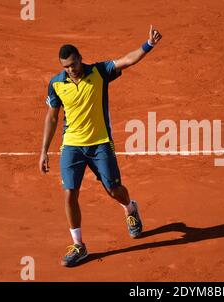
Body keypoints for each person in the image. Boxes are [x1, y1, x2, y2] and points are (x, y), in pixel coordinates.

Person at [39, 25, 162, 267]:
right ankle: (79, 245)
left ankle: (130, 208)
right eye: (66, 67)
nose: (71, 70)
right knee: (69, 194)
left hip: (100, 145)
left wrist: (148, 45)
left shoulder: (98, 72)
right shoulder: (56, 84)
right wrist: (43, 150)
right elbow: (52, 117)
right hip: (72, 146)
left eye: (73, 64)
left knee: (114, 189)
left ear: (80, 59)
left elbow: (126, 61)